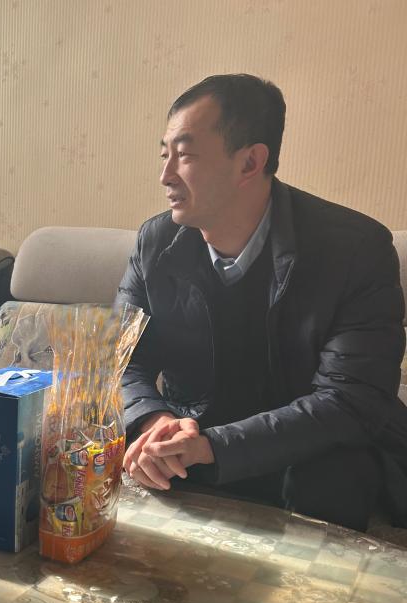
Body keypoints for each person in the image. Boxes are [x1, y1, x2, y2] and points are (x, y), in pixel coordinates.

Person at [118, 73, 407, 530]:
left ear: (250, 162)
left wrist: (214, 446)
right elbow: (121, 360)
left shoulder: (355, 249)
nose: (165, 175)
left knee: (334, 474)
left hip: (307, 458)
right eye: (164, 155)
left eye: (185, 155)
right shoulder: (156, 243)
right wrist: (155, 422)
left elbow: (352, 400)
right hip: (193, 444)